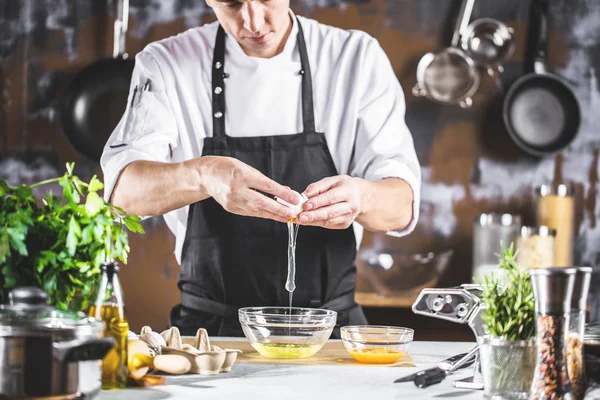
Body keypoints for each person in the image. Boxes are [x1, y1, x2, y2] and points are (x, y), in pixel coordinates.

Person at [101, 0, 421, 337]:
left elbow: (401, 208)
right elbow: (122, 193)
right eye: (232, 3)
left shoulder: (355, 57)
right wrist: (203, 174)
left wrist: (364, 196)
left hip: (332, 331)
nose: (252, 22)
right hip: (212, 334)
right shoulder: (166, 63)